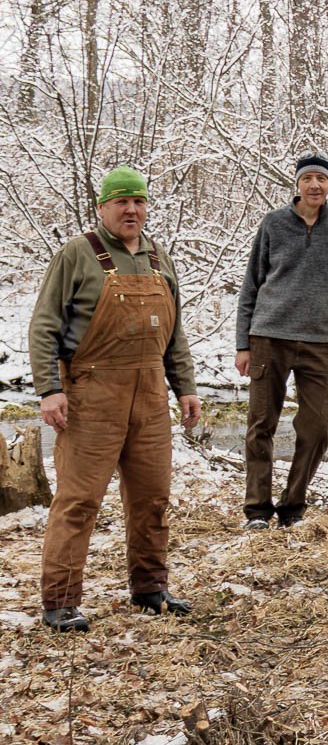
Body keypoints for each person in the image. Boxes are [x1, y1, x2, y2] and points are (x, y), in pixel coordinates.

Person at [30, 166, 202, 632]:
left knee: (152, 497)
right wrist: (49, 390)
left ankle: (150, 588)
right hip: (91, 395)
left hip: (150, 395)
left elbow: (174, 335)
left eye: (139, 201)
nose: (131, 210)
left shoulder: (158, 257)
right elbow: (44, 326)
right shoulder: (78, 255)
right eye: (121, 202)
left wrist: (184, 386)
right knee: (79, 499)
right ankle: (61, 601)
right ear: (103, 208)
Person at [234, 154, 328, 529]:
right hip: (269, 336)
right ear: (298, 185)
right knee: (261, 424)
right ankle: (257, 509)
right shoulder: (274, 223)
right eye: (308, 179)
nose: (315, 185)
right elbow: (251, 284)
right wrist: (243, 343)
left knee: (319, 425)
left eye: (322, 178)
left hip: (320, 342)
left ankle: (292, 506)